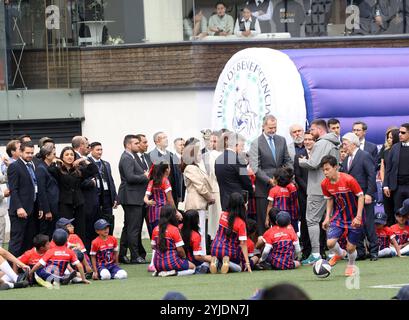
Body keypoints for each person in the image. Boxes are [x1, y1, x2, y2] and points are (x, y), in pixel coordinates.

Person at [299, 119, 340, 265]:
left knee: (312, 220)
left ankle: (316, 253)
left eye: (312, 129)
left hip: (318, 188)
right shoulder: (333, 142)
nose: (311, 132)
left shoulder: (322, 143)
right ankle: (335, 251)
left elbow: (314, 163)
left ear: (319, 129)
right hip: (330, 186)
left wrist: (301, 161)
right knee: (328, 220)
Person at [320, 155, 364, 277]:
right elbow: (329, 199)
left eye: (327, 169)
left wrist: (359, 216)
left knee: (350, 248)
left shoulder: (349, 180)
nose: (325, 172)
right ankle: (339, 253)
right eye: (323, 170)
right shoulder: (324, 184)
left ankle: (350, 265)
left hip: (355, 216)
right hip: (339, 215)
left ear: (335, 167)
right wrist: (327, 217)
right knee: (330, 243)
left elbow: (361, 196)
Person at [249, 114, 293, 235]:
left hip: (282, 188)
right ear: (263, 127)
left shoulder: (281, 140)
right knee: (264, 221)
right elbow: (255, 167)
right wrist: (269, 180)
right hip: (264, 189)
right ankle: (264, 251)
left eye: (275, 127)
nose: (273, 130)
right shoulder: (256, 143)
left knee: (282, 219)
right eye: (270, 128)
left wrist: (287, 175)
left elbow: (288, 160)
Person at [48, 146, 98, 244]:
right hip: (65, 203)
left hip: (79, 202)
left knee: (80, 229)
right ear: (62, 157)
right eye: (66, 155)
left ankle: (81, 252)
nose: (69, 157)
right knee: (66, 228)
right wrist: (55, 161)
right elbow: (50, 169)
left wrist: (83, 160)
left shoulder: (79, 170)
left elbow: (94, 170)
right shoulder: (58, 170)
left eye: (71, 154)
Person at [341, 132, 378, 261]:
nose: (343, 146)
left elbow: (371, 176)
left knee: (368, 224)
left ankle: (374, 251)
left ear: (352, 144)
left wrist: (369, 193)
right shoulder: (346, 159)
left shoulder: (364, 156)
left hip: (364, 195)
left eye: (345, 143)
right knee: (356, 225)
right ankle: (361, 252)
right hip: (352, 198)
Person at [118, 134, 149, 264]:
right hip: (132, 197)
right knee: (133, 228)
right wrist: (145, 176)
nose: (138, 145)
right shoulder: (127, 158)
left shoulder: (130, 157)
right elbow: (130, 177)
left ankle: (123, 254)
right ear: (128, 145)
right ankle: (135, 256)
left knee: (129, 227)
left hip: (133, 196)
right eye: (136, 143)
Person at [182, 138, 215, 255]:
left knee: (201, 231)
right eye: (199, 152)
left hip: (201, 203)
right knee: (198, 231)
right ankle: (200, 256)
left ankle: (201, 254)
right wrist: (210, 197)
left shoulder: (195, 167)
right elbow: (200, 186)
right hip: (196, 204)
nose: (201, 154)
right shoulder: (190, 168)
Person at [8, 142, 39, 257]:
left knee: (28, 242)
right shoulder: (14, 166)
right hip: (19, 211)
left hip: (31, 210)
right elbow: (13, 189)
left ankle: (25, 271)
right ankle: (11, 272)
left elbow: (34, 187)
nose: (30, 155)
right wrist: (19, 207)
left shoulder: (31, 166)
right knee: (17, 242)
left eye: (32, 153)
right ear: (20, 152)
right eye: (27, 153)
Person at [210, 192, 252, 274]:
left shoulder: (222, 215)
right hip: (229, 251)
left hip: (214, 248)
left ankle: (216, 261)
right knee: (239, 268)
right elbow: (243, 243)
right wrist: (247, 263)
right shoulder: (241, 223)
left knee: (218, 257)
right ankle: (226, 262)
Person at [151, 205, 196, 277]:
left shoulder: (155, 229)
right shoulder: (174, 229)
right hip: (171, 262)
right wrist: (184, 258)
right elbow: (180, 250)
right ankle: (174, 273)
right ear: (172, 215)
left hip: (157, 264)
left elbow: (153, 246)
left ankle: (160, 272)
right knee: (193, 267)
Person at [215, 132, 253, 211]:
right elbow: (246, 180)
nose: (243, 149)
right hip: (237, 202)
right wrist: (252, 192)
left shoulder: (218, 159)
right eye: (242, 146)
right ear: (236, 145)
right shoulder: (238, 159)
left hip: (224, 200)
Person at [87, 142, 118, 237]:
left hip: (107, 199)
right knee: (96, 223)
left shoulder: (106, 164)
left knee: (108, 222)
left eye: (101, 149)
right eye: (97, 150)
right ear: (91, 150)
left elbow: (111, 181)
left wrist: (115, 198)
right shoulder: (87, 162)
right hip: (95, 198)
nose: (100, 152)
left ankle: (109, 243)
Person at [294, 130, 315, 260]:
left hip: (319, 194)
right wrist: (308, 190)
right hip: (304, 194)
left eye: (309, 139)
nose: (307, 142)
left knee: (319, 222)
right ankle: (307, 251)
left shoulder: (319, 153)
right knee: (306, 223)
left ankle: (321, 249)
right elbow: (298, 176)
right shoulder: (298, 155)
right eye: (305, 140)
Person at [149, 131, 181, 206]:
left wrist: (179, 194)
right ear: (157, 141)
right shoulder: (151, 155)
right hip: (159, 196)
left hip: (173, 193)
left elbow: (177, 174)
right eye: (164, 138)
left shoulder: (172, 155)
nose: (166, 139)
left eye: (166, 137)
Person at [383, 123, 409, 217]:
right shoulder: (394, 148)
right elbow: (388, 168)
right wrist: (385, 185)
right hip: (397, 187)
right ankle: (398, 232)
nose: (399, 135)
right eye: (399, 132)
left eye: (403, 132)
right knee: (397, 212)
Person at [36, 144, 59, 239]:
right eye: (54, 154)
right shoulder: (41, 168)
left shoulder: (51, 167)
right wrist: (47, 211)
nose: (55, 156)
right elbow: (42, 191)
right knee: (46, 234)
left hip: (55, 205)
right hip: (49, 207)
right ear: (47, 155)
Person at [266, 168, 299, 232]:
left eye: (273, 178)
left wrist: (267, 219)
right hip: (288, 217)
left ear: (276, 179)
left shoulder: (273, 190)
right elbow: (294, 203)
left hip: (276, 217)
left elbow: (270, 205)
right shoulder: (290, 189)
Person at [379, 127, 399, 225]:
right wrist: (384, 184)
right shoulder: (385, 150)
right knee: (388, 210)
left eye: (391, 137)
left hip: (398, 185)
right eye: (388, 137)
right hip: (387, 185)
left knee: (398, 210)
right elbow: (382, 168)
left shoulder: (402, 151)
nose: (388, 139)